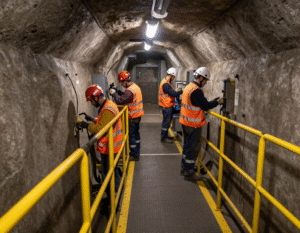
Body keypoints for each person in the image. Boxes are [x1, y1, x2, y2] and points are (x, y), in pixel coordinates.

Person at [76, 84, 122, 197]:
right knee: (112, 170)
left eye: (91, 101)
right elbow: (104, 121)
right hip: (110, 146)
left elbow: (101, 128)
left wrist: (86, 125)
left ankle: (113, 197)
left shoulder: (107, 109)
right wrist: (92, 119)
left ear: (96, 97)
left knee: (108, 173)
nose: (91, 103)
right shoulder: (107, 105)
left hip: (110, 147)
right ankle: (116, 191)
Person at [179, 67, 224, 181]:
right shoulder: (196, 90)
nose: (206, 83)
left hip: (185, 122)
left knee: (187, 146)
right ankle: (189, 172)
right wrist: (217, 102)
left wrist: (211, 101)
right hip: (193, 124)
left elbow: (199, 103)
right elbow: (205, 106)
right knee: (193, 148)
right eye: (205, 80)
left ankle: (185, 167)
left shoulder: (189, 87)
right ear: (200, 78)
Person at [109, 71, 144, 161]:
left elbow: (120, 101)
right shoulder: (135, 87)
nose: (122, 84)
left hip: (132, 117)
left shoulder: (129, 91)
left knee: (131, 135)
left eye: (122, 83)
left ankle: (134, 154)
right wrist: (118, 91)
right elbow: (126, 97)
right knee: (136, 134)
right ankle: (137, 150)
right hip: (137, 116)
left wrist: (114, 94)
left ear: (125, 81)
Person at [159, 67, 183, 143]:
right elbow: (173, 94)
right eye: (174, 77)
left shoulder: (165, 82)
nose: (173, 78)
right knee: (166, 123)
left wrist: (175, 90)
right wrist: (182, 91)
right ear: (171, 76)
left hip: (167, 105)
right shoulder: (166, 84)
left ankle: (165, 136)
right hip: (166, 106)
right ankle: (163, 138)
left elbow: (170, 93)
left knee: (167, 122)